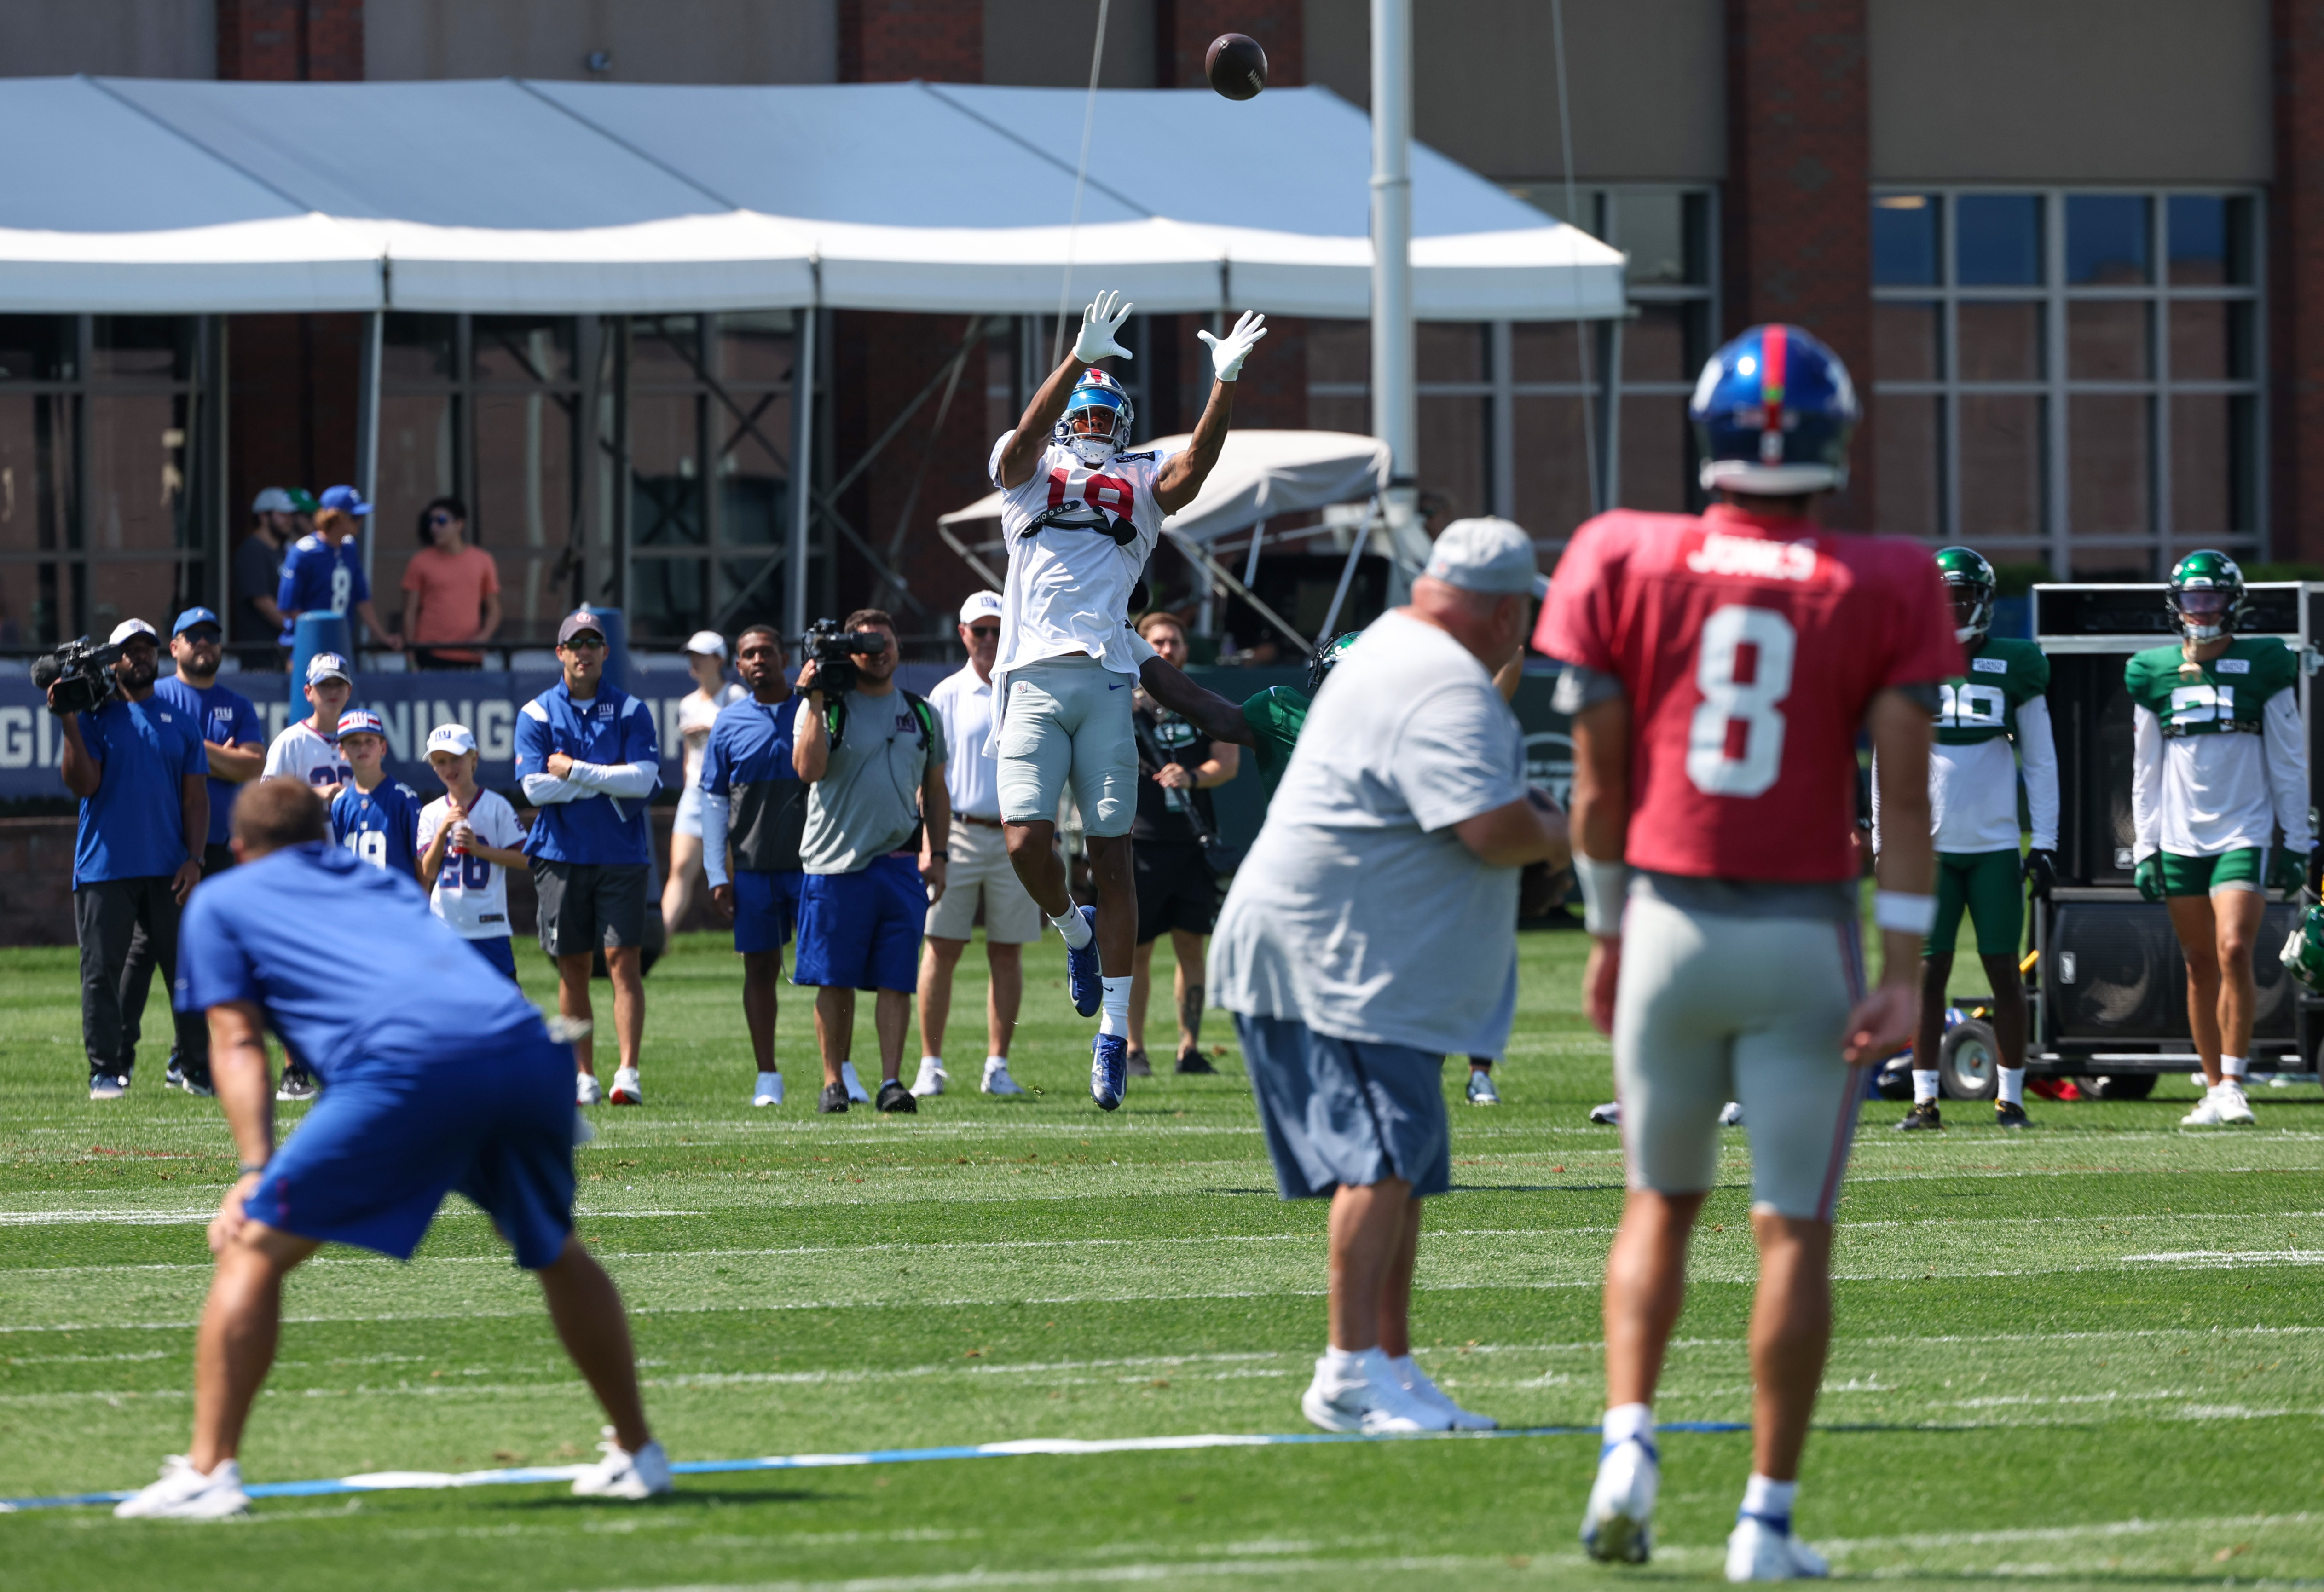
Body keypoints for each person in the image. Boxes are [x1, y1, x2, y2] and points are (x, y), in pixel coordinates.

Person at [1540, 323, 1957, 1580]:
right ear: (1832, 440)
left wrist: (1608, 935)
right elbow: (1906, 798)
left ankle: (1627, 1444)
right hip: (1800, 935)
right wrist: (1901, 968)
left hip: (1666, 917)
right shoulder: (1884, 575)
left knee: (1658, 1201)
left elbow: (1595, 793)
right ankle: (1762, 1524)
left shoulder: (1619, 547)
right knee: (1792, 1231)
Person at [113, 780, 668, 1520]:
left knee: (251, 1246)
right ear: (324, 834)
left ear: (239, 851)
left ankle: (209, 1472)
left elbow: (238, 1040)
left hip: (410, 1067)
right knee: (556, 1248)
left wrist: (255, 1171)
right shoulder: (380, 882)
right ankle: (639, 1452)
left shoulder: (224, 898)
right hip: (525, 1051)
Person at [1209, 519, 1567, 1440]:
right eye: (1521, 604)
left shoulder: (1398, 654)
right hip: (1326, 954)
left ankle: (1392, 1368)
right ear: (1498, 606)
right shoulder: (1433, 675)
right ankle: (1344, 1373)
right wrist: (1578, 827)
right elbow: (1488, 829)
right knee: (1376, 1161)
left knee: (1400, 1162)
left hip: (1360, 950)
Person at [987, 289, 1269, 1111]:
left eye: (1112, 416)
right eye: (1088, 413)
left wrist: (1224, 387)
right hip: (1033, 674)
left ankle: (1113, 1036)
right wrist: (1077, 359)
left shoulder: (1141, 478)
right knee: (1024, 845)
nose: (1099, 426)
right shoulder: (1031, 472)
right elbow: (1018, 450)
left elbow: (1191, 471)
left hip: (1109, 676)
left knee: (1112, 855)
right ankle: (1073, 933)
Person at [2128, 551, 2312, 1128]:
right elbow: (2145, 770)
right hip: (2180, 837)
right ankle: (2211, 1086)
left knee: (2234, 949)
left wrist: (2297, 840)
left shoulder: (2265, 663)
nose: (2201, 609)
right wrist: (2145, 846)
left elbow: (2288, 758)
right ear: (2175, 604)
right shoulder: (2152, 670)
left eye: (2211, 597)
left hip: (2244, 829)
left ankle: (2233, 1082)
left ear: (2233, 602)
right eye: (2192, 598)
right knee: (2198, 961)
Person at [1881, 547, 2059, 1131]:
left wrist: (2048, 838)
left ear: (1982, 602)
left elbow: (2040, 761)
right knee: (1927, 974)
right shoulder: (1909, 663)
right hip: (1929, 849)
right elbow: (1889, 758)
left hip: (1992, 847)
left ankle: (2010, 1098)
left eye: (1961, 596)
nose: (1951, 607)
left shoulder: (2015, 663)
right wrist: (1886, 839)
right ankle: (1924, 1099)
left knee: (2004, 972)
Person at [792, 608, 949, 1115]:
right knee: (834, 979)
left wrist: (939, 853)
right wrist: (815, 697)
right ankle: (833, 1081)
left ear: (899, 647)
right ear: (849, 651)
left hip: (900, 863)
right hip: (834, 864)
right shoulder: (828, 706)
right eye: (864, 645)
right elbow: (807, 769)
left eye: (885, 643)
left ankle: (890, 1082)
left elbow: (936, 790)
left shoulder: (921, 713)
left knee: (896, 978)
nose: (877, 653)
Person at [54, 618, 208, 1102]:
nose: (140, 656)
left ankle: (194, 1068)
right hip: (105, 867)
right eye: (129, 650)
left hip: (169, 868)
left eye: (147, 649)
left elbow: (195, 799)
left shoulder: (180, 719)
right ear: (113, 661)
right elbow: (83, 784)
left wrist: (196, 858)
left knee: (186, 971)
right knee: (100, 973)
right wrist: (68, 721)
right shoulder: (96, 718)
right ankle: (106, 1070)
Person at [515, 610, 662, 1107]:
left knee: (624, 961)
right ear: (560, 653)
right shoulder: (536, 713)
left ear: (605, 652)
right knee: (572, 966)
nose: (584, 652)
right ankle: (583, 1077)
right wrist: (604, 779)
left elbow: (642, 780)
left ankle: (628, 1073)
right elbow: (534, 788)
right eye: (574, 644)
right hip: (559, 856)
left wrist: (575, 771)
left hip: (620, 855)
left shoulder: (630, 710)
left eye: (592, 642)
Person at [913, 592, 1040, 1100]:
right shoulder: (944, 695)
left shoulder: (1027, 687)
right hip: (957, 833)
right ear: (962, 634)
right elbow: (928, 778)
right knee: (941, 947)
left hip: (1017, 834)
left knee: (1007, 952)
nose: (988, 639)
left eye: (996, 629)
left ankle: (998, 1065)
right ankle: (930, 1064)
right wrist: (931, 843)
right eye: (979, 630)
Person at [153, 606, 266, 1093]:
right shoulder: (155, 694)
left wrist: (193, 749)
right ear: (174, 646)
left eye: (212, 636)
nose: (204, 643)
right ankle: (133, 1060)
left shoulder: (236, 704)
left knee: (214, 955)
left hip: (220, 847)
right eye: (192, 636)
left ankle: (190, 1055)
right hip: (163, 846)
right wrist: (219, 756)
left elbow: (250, 767)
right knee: (160, 956)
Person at [1126, 611, 1239, 1078]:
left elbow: (1227, 762)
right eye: (1157, 642)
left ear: (1186, 649)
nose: (1167, 649)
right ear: (1143, 647)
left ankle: (1188, 1049)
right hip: (1142, 842)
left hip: (1192, 842)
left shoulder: (1202, 702)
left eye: (1174, 641)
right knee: (1137, 950)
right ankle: (1133, 1049)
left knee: (1191, 946)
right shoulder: (1124, 705)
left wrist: (1191, 776)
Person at [700, 626, 808, 1106]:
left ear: (784, 657)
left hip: (815, 866)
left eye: (766, 651)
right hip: (754, 868)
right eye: (749, 654)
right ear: (738, 666)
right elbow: (713, 802)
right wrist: (717, 874)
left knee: (831, 969)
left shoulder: (813, 709)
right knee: (760, 970)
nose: (758, 659)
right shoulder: (727, 722)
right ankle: (768, 1076)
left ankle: (840, 1071)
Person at [418, 722, 530, 981]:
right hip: (445, 925)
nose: (449, 768)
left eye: (456, 759)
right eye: (440, 762)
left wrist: (479, 850)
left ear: (474, 758)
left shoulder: (496, 806)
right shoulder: (431, 813)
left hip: (488, 926)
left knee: (504, 1000)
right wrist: (443, 830)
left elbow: (526, 859)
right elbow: (428, 870)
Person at [663, 630, 744, 935]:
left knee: (740, 873)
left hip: (731, 796)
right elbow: (689, 756)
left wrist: (712, 725)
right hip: (695, 796)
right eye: (692, 655)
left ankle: (753, 938)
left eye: (703, 656)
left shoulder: (734, 696)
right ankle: (658, 942)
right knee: (680, 870)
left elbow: (748, 734)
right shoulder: (687, 703)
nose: (695, 661)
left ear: (720, 660)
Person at [275, 485, 401, 652]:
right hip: (307, 647)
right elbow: (290, 607)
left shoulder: (349, 548)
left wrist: (382, 636)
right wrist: (321, 636)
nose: (361, 521)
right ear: (335, 517)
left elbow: (362, 598)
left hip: (340, 645)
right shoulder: (303, 553)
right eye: (355, 516)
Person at [400, 495, 502, 669]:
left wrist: (483, 638)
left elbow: (494, 610)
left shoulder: (483, 560)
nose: (434, 527)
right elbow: (410, 613)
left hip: (469, 655)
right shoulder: (420, 562)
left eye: (441, 521)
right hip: (429, 653)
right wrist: (410, 657)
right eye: (430, 522)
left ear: (459, 524)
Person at [329, 709, 426, 879]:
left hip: (395, 902)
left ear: (383, 747)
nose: (362, 747)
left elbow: (421, 864)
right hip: (356, 901)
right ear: (342, 751)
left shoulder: (404, 799)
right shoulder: (341, 802)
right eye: (354, 742)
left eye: (369, 741)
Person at [262, 652, 355, 799]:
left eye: (339, 684)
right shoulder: (290, 741)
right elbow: (266, 798)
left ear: (349, 691)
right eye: (324, 685)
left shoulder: (359, 740)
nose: (332, 691)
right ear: (308, 692)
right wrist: (315, 794)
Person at [231, 489, 295, 669]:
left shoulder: (285, 551)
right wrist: (296, 629)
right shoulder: (252, 551)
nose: (289, 520)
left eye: (291, 515)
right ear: (264, 517)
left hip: (286, 653)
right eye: (282, 515)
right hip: (261, 657)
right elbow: (263, 602)